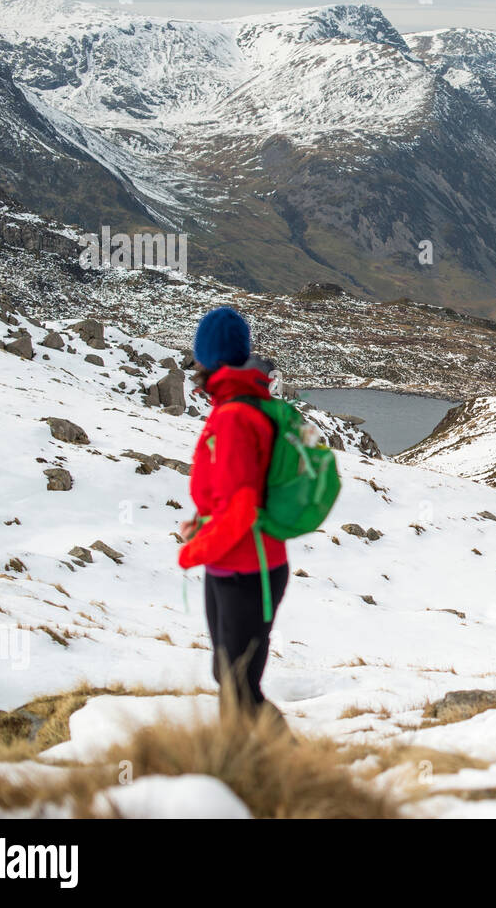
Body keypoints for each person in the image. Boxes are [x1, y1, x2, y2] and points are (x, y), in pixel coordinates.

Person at [177, 307, 289, 721]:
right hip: (241, 565)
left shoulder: (234, 417)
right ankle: (242, 772)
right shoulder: (243, 405)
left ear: (207, 358)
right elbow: (235, 496)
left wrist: (194, 551)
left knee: (240, 687)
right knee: (229, 677)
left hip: (248, 570)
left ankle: (287, 774)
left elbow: (241, 508)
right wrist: (204, 523)